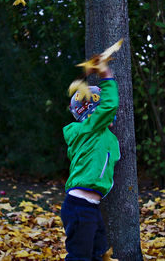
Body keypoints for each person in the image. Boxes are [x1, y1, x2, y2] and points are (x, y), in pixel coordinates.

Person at [61, 63, 120, 261]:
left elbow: (109, 155)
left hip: (89, 207)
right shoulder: (91, 129)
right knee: (79, 255)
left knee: (98, 250)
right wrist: (106, 75)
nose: (111, 114)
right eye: (103, 110)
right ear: (94, 113)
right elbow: (110, 104)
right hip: (79, 207)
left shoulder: (96, 135)